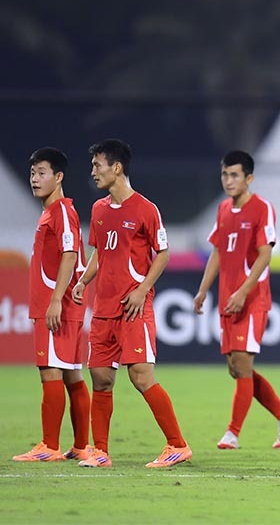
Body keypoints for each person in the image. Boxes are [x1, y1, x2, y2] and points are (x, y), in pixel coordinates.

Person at [72, 139, 191, 468]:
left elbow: (163, 253)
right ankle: (100, 452)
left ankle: (177, 445)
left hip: (133, 308)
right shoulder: (98, 210)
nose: (93, 172)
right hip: (104, 309)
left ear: (117, 167)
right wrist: (83, 281)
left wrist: (142, 290)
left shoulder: (145, 209)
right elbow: (99, 252)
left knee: (140, 376)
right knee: (100, 378)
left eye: (98, 165)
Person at [192, 151, 280, 451]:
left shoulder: (262, 208)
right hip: (227, 298)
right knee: (235, 368)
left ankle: (233, 433)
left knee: (242, 364)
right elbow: (217, 251)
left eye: (235, 175)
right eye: (225, 175)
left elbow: (265, 254)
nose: (229, 181)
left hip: (252, 299)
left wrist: (243, 291)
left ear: (249, 178)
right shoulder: (223, 209)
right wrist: (203, 290)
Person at [12, 148, 92, 463]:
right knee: (71, 375)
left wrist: (56, 300)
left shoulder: (61, 211)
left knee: (50, 373)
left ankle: (49, 446)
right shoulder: (52, 212)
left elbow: (70, 255)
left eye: (42, 173)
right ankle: (81, 446)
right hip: (58, 305)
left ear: (58, 177)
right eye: (33, 173)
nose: (35, 179)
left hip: (56, 306)